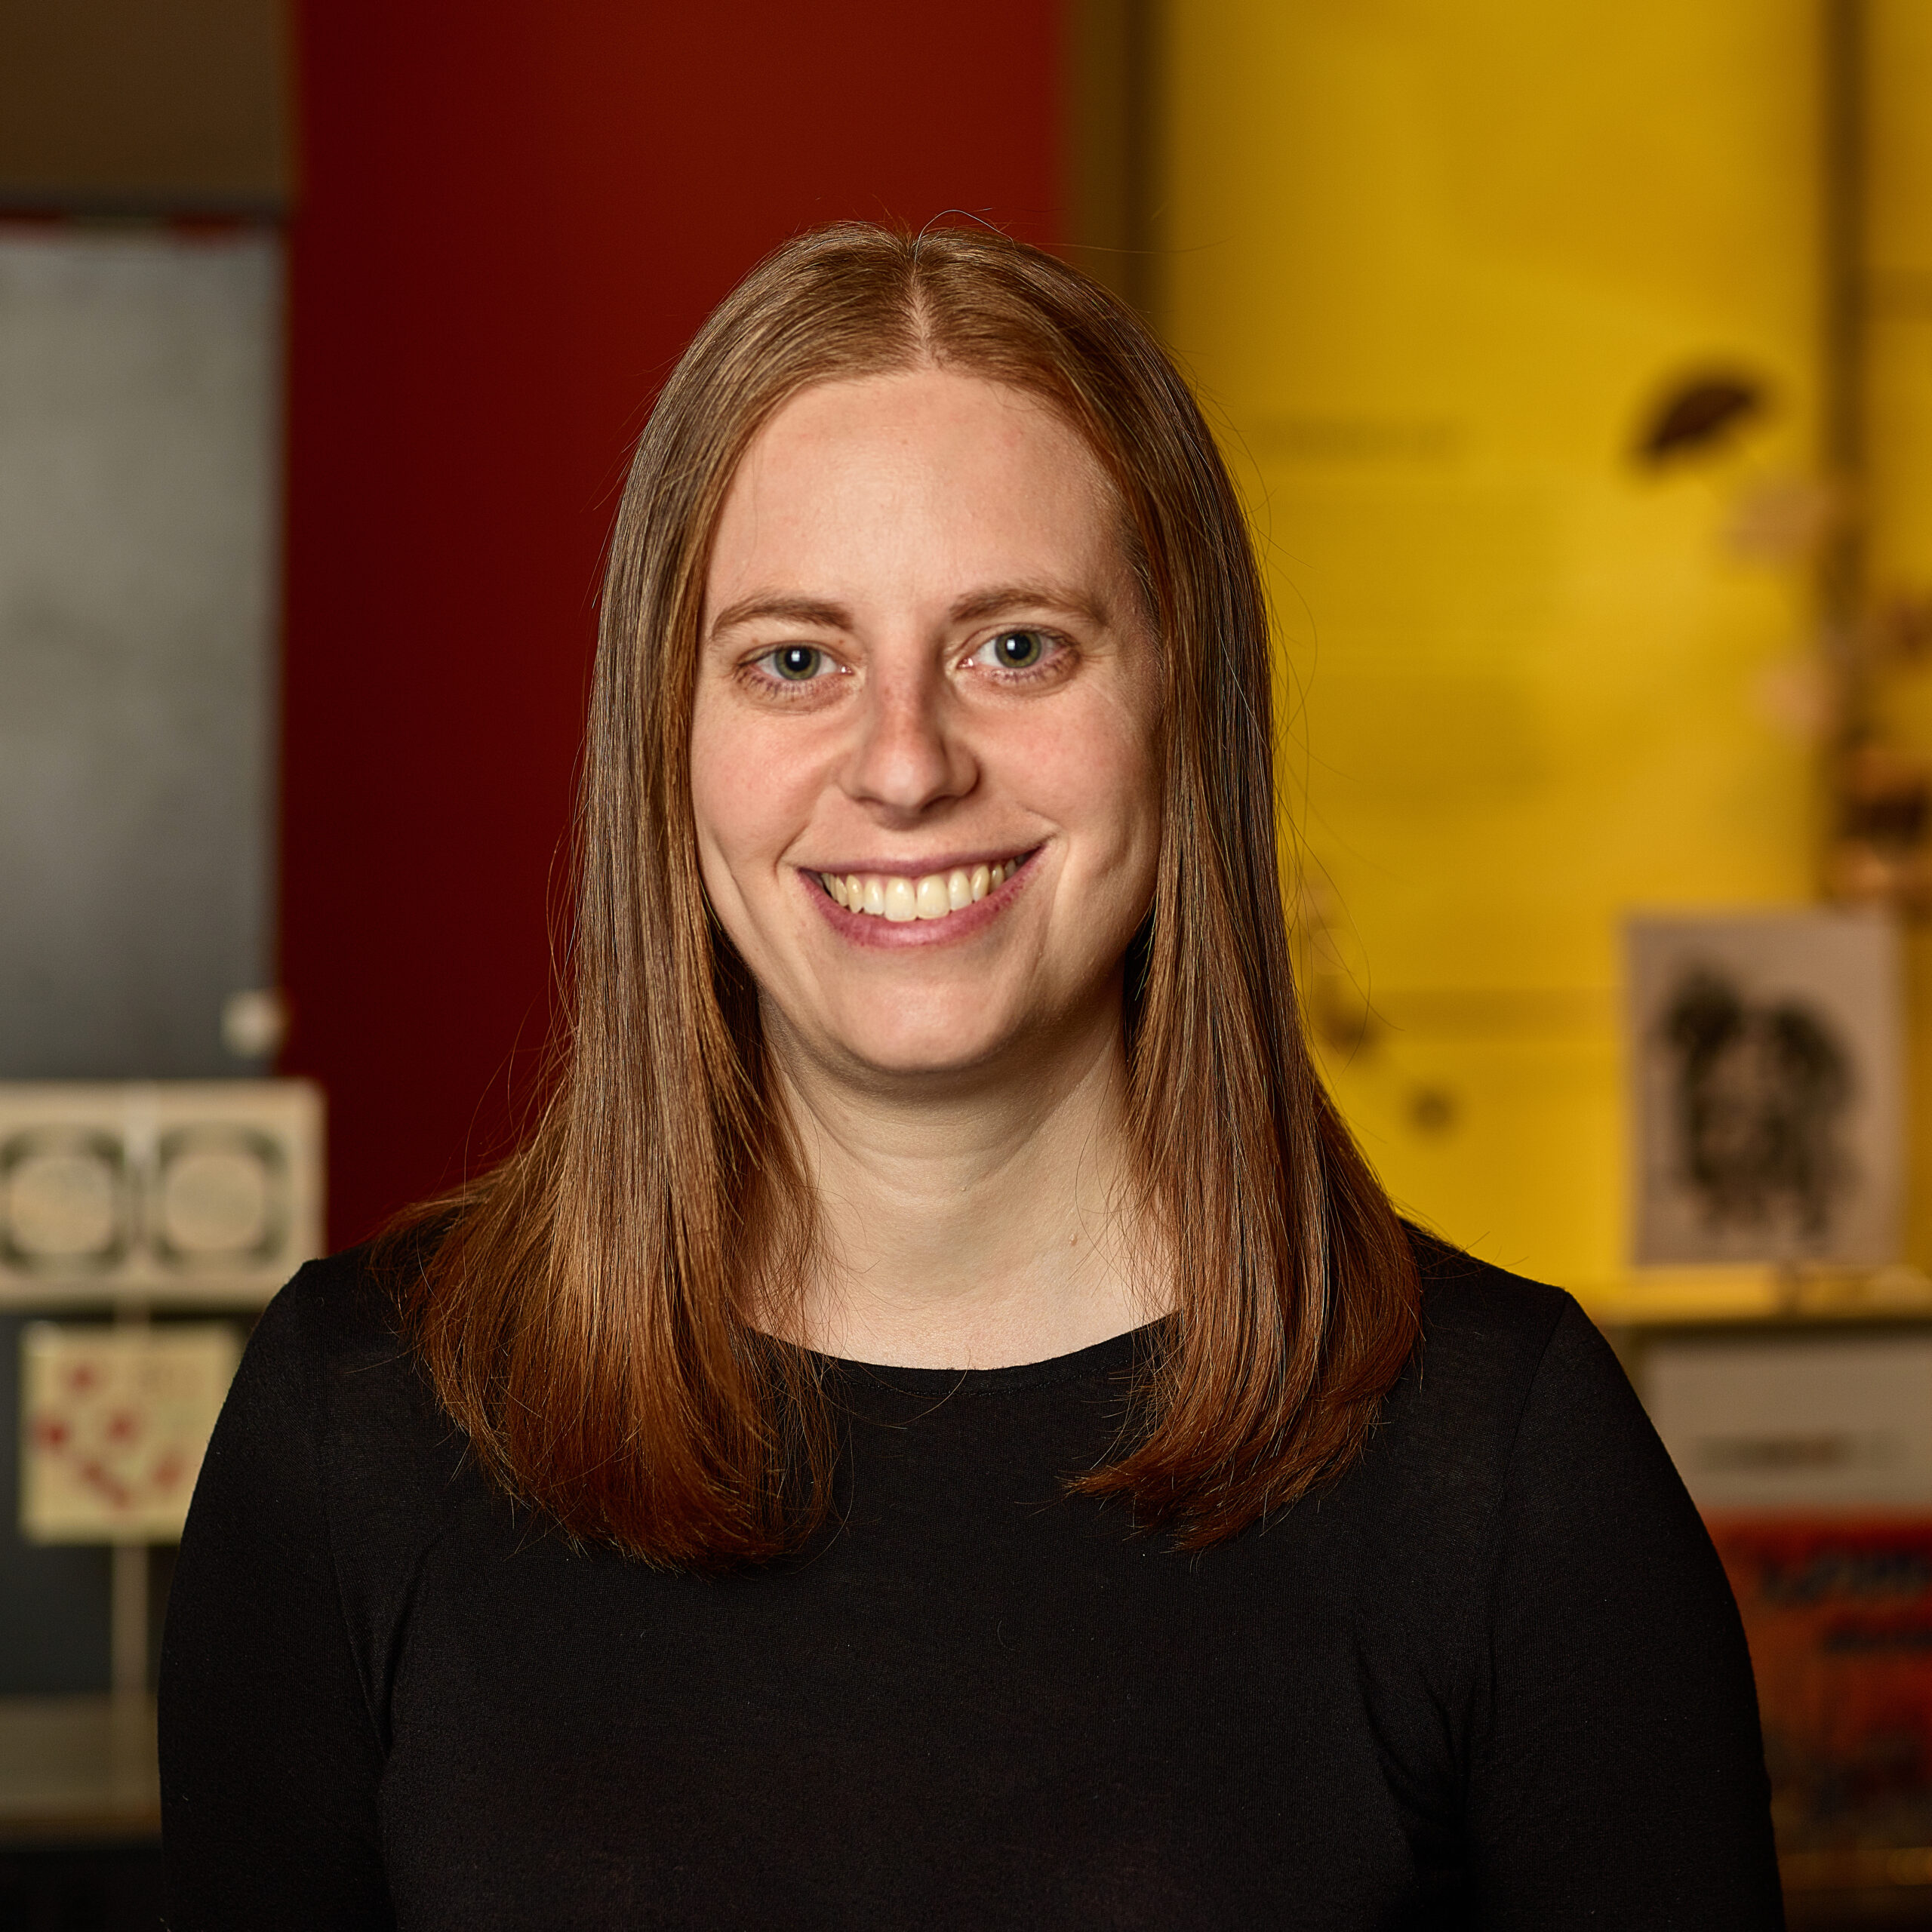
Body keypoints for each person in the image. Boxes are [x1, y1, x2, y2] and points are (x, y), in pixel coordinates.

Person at [160, 222, 1783, 1929]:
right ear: (669, 737)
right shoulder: (353, 1431)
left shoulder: (1507, 1465)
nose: (906, 763)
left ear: (1181, 704)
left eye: (1015, 646)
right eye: (795, 658)